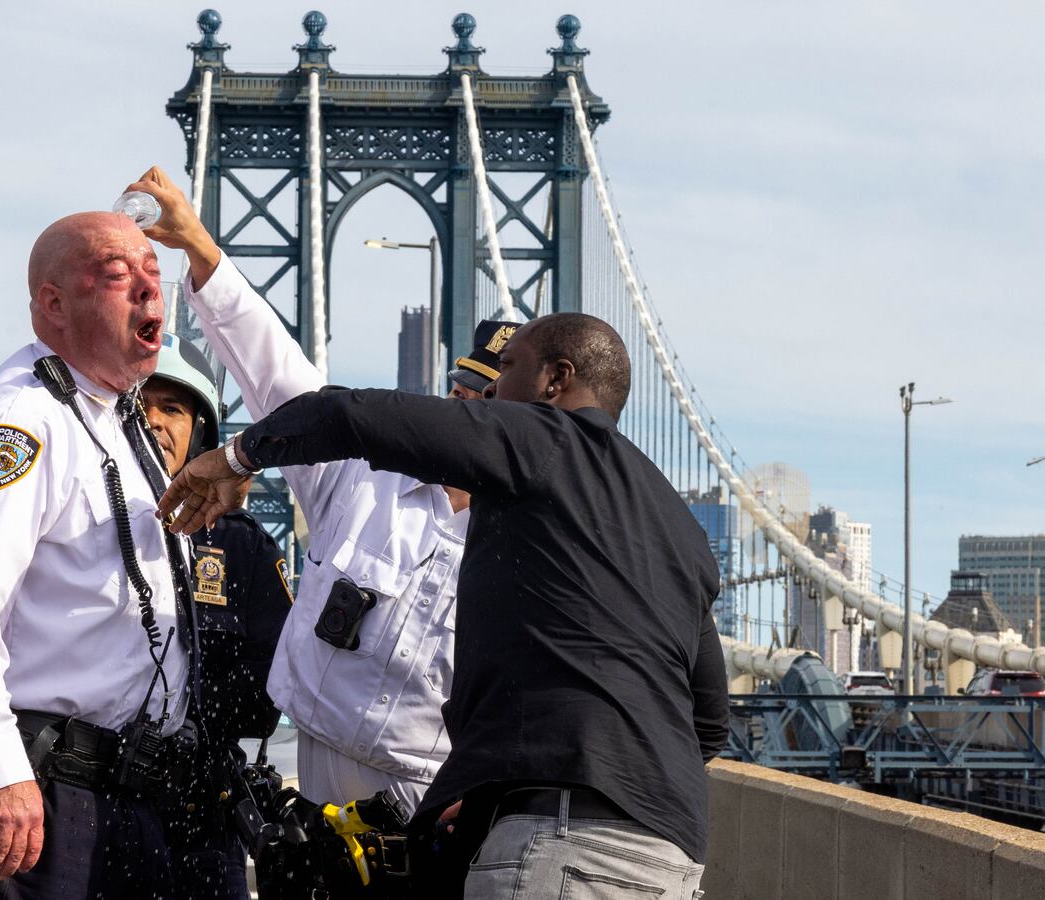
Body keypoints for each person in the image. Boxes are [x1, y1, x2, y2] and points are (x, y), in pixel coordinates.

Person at [160, 314, 730, 899]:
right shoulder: (677, 524)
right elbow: (708, 721)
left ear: (555, 381)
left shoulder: (539, 438)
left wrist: (235, 459)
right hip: (671, 856)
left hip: (560, 842)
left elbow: (345, 415)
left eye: (505, 372)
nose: (488, 396)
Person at [129, 164, 518, 820]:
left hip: (441, 795)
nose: (466, 414)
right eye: (460, 397)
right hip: (323, 776)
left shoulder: (529, 539)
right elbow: (277, 375)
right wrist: (200, 248)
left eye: (487, 404)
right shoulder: (362, 476)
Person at [0, 209, 197, 899]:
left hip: (120, 791)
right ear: (55, 304)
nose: (149, 293)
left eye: (155, 275)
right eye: (119, 276)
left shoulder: (113, 415)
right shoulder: (19, 422)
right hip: (40, 793)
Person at [141, 333, 292, 899]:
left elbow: (273, 684)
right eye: (139, 406)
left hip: (200, 813)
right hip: (93, 802)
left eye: (172, 409)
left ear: (200, 432)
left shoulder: (244, 549)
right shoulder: (72, 525)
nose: (154, 420)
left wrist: (193, 718)